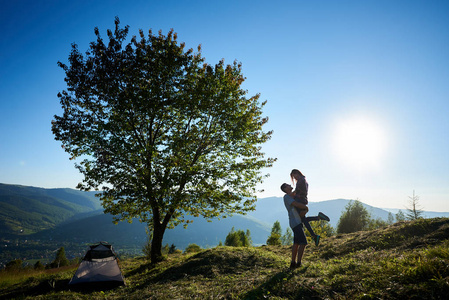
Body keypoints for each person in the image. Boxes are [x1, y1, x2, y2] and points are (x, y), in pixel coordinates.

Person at [281, 183, 330, 270]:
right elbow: (296, 204)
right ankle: (298, 263)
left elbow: (296, 192)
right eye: (288, 185)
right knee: (303, 243)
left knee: (296, 243)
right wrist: (306, 208)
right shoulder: (286, 197)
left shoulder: (291, 195)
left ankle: (293, 263)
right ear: (285, 188)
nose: (290, 185)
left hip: (297, 221)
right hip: (295, 222)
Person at [290, 169, 330, 246]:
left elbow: (297, 191)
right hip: (303, 200)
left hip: (299, 201)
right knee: (303, 220)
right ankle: (318, 219)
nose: (295, 178)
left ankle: (315, 234)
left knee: (303, 220)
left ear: (297, 173)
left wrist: (291, 195)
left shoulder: (301, 181)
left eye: (294, 176)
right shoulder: (304, 180)